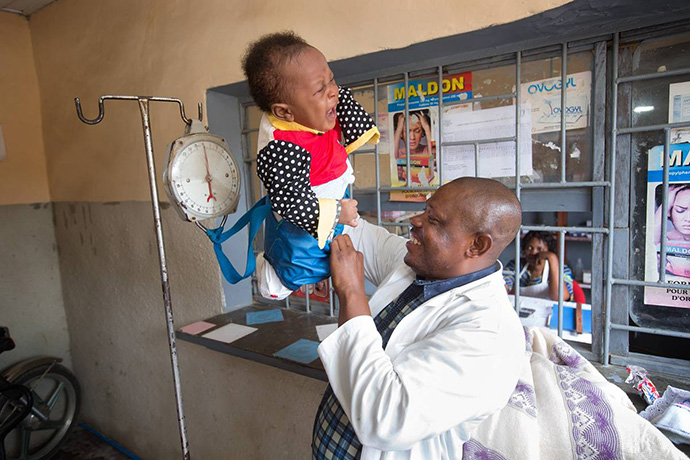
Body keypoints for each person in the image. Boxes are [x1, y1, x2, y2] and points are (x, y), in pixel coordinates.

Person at [312, 177, 525, 459]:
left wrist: (351, 292)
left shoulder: (489, 333)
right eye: (425, 210)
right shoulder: (421, 265)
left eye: (433, 219)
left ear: (476, 245)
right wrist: (322, 191)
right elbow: (356, 233)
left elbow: (385, 420)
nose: (416, 220)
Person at [241, 32, 380, 299]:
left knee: (330, 252)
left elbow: (342, 109)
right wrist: (338, 211)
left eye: (331, 78)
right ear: (285, 112)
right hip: (305, 216)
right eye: (320, 89)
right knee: (294, 269)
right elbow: (290, 202)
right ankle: (267, 273)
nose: (333, 91)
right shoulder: (280, 146)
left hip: (333, 202)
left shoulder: (317, 108)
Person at [503, 231, 574, 301]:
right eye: (529, 248)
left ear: (548, 251)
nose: (533, 253)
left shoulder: (563, 270)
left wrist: (552, 259)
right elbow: (502, 287)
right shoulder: (516, 265)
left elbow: (559, 298)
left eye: (539, 249)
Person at [653, 183, 690, 277]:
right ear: (669, 211)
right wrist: (666, 202)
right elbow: (651, 239)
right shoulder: (663, 238)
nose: (688, 218)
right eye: (680, 210)